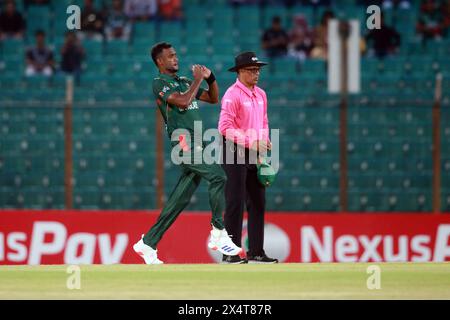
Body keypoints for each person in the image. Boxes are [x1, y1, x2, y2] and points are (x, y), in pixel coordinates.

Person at [133, 42, 242, 264]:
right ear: (160, 62)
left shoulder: (183, 81)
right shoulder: (159, 83)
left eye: (176, 55)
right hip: (183, 144)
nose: (176, 59)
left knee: (179, 200)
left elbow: (213, 99)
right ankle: (218, 232)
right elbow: (183, 102)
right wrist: (198, 79)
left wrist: (210, 78)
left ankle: (148, 243)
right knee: (218, 176)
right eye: (171, 56)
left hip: (198, 142)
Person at [218, 51, 278, 264]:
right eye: (252, 70)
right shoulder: (232, 94)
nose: (256, 74)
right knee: (235, 202)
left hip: (254, 152)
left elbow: (264, 122)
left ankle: (256, 251)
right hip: (233, 150)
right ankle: (229, 252)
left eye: (258, 70)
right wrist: (250, 142)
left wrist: (264, 143)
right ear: (240, 72)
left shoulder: (261, 94)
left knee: (258, 202)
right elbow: (224, 127)